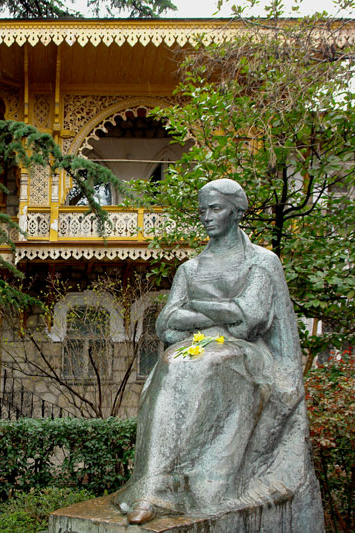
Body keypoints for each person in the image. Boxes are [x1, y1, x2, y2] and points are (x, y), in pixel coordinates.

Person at [113, 179, 323, 531]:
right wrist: (222, 312)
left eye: (215, 208)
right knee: (171, 364)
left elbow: (251, 318)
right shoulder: (191, 269)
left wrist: (197, 309)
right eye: (202, 210)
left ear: (237, 212)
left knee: (207, 363)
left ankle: (199, 485)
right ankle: (152, 489)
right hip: (196, 348)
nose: (206, 217)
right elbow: (166, 324)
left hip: (248, 354)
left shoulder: (261, 262)